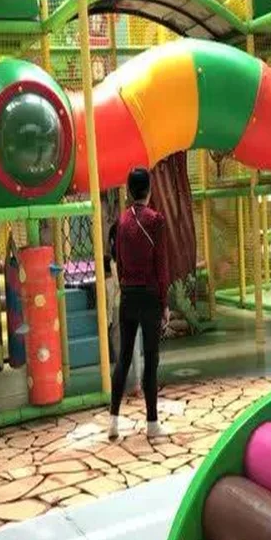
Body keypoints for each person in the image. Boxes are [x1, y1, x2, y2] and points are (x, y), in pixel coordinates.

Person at [108, 167, 169, 440]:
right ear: (149, 190)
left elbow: (119, 262)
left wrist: (125, 289)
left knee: (123, 358)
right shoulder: (156, 220)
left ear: (129, 191)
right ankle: (152, 423)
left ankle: (113, 421)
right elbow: (161, 266)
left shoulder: (121, 222)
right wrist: (164, 302)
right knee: (151, 358)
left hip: (128, 295)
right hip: (151, 296)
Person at [107, 223, 143, 397]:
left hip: (119, 305)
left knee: (119, 343)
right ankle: (137, 383)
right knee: (134, 345)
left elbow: (113, 289)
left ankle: (124, 379)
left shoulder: (113, 262)